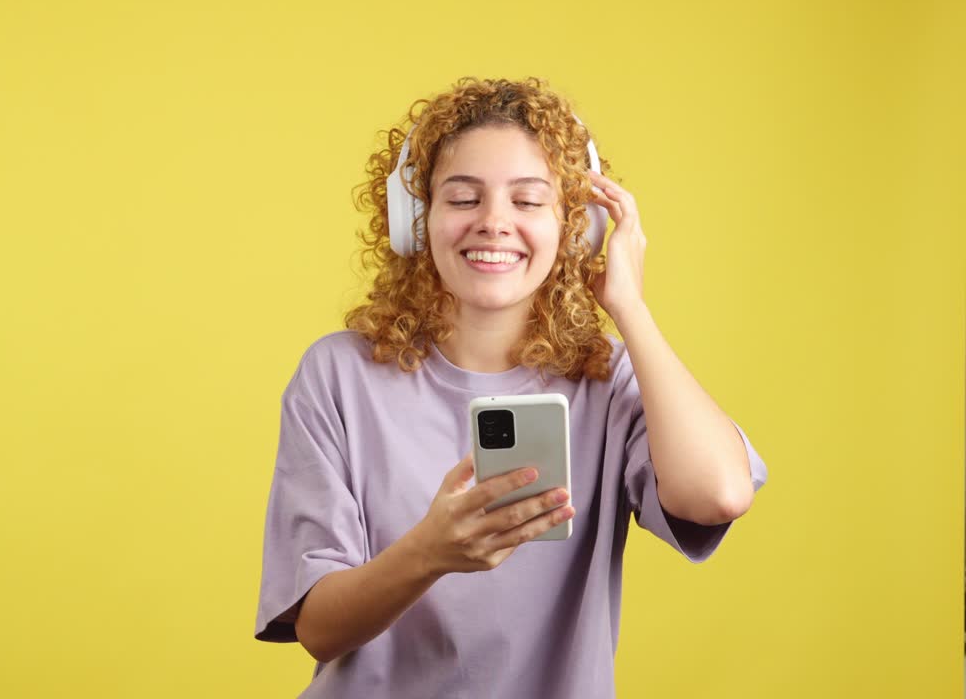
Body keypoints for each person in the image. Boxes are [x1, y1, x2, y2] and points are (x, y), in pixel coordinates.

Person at [253, 76, 769, 698]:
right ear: (415, 218)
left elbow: (718, 494)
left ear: (576, 228)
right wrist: (429, 553)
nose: (494, 223)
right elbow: (318, 628)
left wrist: (629, 307)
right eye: (463, 198)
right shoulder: (338, 375)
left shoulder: (606, 378)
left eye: (528, 201)